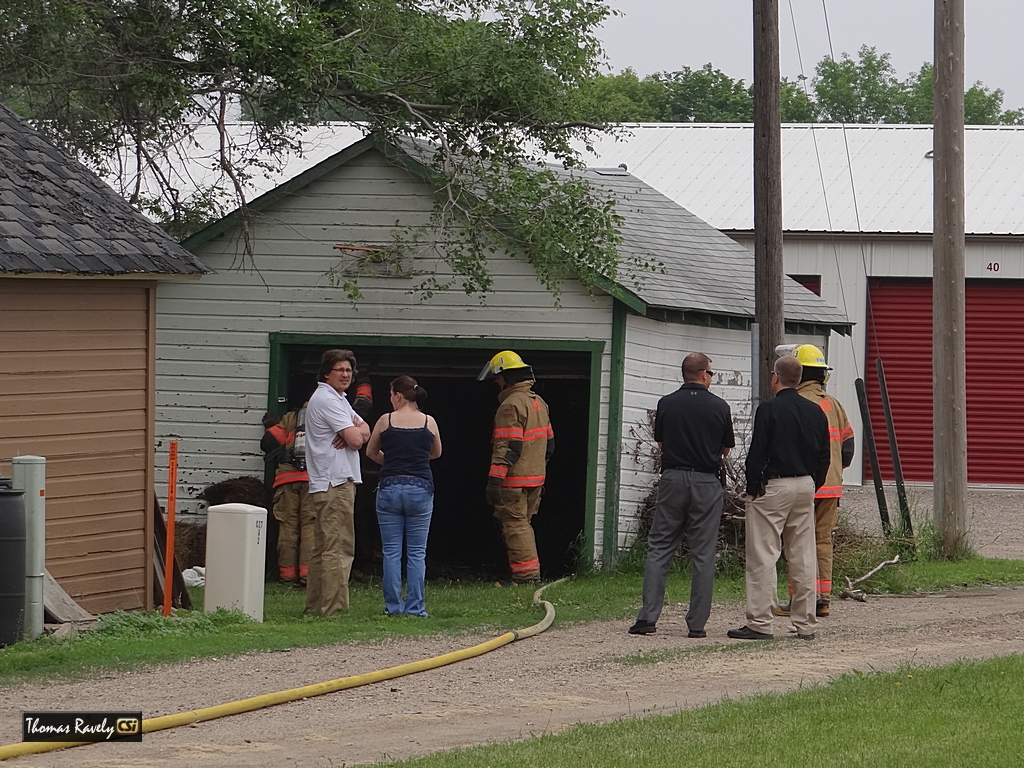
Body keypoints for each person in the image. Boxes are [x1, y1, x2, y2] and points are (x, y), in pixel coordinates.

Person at [628, 353, 735, 638]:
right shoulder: (720, 406)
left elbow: (660, 441)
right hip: (706, 481)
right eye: (711, 373)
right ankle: (697, 624)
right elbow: (726, 449)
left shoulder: (667, 403)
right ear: (702, 374)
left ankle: (648, 618)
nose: (711, 377)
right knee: (703, 552)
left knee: (660, 545)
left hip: (673, 477)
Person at [728, 355, 830, 641]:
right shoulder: (816, 412)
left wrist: (752, 486)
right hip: (805, 485)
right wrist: (814, 483)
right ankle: (805, 624)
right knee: (803, 556)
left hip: (774, 486)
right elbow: (825, 455)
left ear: (775, 378)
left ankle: (760, 622)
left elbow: (757, 452)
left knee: (763, 554)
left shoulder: (769, 410)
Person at [774, 344, 855, 618]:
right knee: (822, 542)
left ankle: (799, 598)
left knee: (796, 542)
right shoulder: (834, 404)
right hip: (830, 486)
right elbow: (848, 449)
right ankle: (822, 599)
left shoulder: (796, 401)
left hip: (803, 483)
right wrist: (834, 472)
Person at [365, 375, 443, 616]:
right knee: (417, 552)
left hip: (389, 488)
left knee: (391, 551)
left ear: (398, 395)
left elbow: (371, 451)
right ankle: (416, 608)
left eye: (391, 395)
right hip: (420, 488)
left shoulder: (385, 420)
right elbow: (436, 453)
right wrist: (414, 460)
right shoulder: (429, 422)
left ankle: (393, 607)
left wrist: (392, 461)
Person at [478, 350, 554, 584]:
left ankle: (527, 577)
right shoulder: (538, 402)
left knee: (515, 527)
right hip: (535, 479)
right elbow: (549, 445)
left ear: (507, 377)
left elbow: (508, 447)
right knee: (524, 525)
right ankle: (526, 575)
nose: (497, 383)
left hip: (514, 481)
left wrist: (495, 480)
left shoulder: (510, 405)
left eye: (498, 378)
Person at [304, 349, 370, 616]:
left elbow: (364, 430)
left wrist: (355, 432)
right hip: (335, 481)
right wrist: (353, 433)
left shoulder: (339, 399)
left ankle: (316, 605)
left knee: (323, 547)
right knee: (338, 547)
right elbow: (356, 439)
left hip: (329, 480)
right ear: (325, 373)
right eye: (339, 370)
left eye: (348, 370)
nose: (346, 374)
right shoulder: (327, 400)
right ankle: (333, 608)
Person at [261, 401, 315, 586]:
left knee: (288, 527)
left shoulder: (291, 417)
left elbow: (268, 443)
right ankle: (307, 576)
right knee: (310, 526)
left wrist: (270, 426)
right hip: (313, 479)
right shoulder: (327, 415)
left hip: (286, 480)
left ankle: (287, 576)